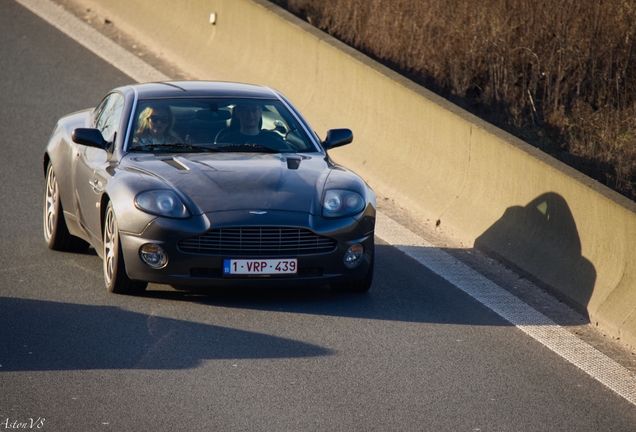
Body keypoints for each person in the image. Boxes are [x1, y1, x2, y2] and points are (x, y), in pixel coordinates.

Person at [215, 103, 290, 150]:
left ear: (260, 112)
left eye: (254, 110)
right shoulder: (226, 140)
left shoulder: (275, 139)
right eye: (245, 110)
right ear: (238, 113)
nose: (250, 114)